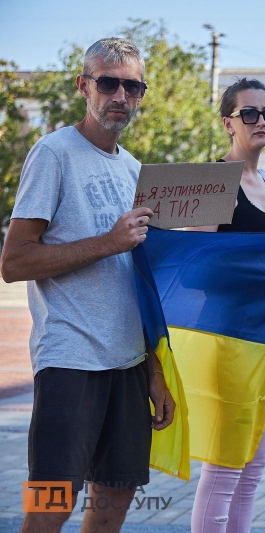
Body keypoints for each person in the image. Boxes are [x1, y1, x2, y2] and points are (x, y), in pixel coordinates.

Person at [0, 38, 174, 533]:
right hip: (69, 361)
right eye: (108, 82)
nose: (121, 95)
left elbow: (138, 281)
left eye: (132, 86)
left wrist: (154, 371)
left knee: (115, 504)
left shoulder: (136, 170)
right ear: (84, 86)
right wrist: (107, 241)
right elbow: (13, 263)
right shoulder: (53, 153)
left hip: (128, 364)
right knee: (50, 506)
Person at [187, 77, 265, 533]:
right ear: (229, 122)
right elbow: (195, 268)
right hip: (228, 335)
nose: (261, 121)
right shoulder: (214, 181)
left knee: (254, 466)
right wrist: (264, 268)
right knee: (226, 466)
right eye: (249, 113)